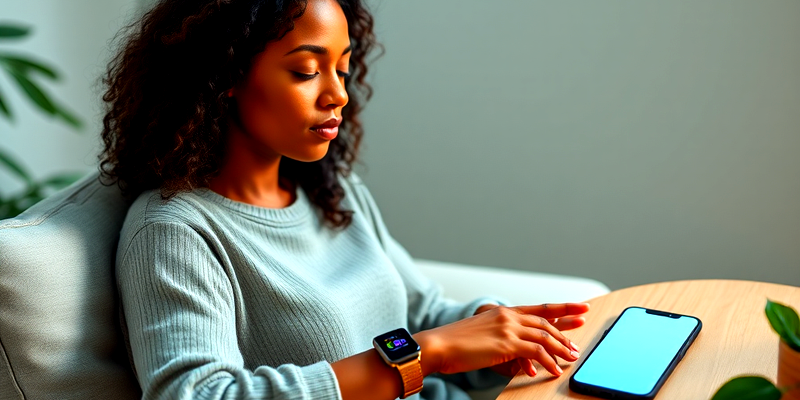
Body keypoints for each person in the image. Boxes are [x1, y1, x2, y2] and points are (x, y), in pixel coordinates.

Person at [100, 0, 590, 399]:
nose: (339, 95)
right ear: (225, 77)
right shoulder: (174, 232)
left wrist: (505, 334)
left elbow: (422, 314)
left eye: (342, 68)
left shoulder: (330, 191)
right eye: (306, 71)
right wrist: (423, 354)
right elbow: (199, 394)